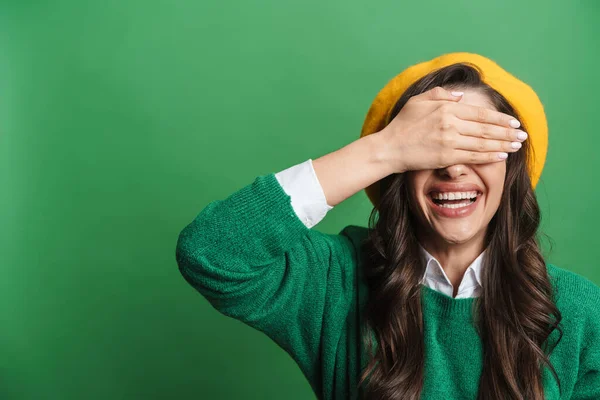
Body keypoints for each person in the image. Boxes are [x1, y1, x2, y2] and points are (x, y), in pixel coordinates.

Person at [175, 52, 600, 399]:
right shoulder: (335, 283)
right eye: (431, 147)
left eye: (476, 143)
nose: (453, 167)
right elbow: (211, 252)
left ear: (513, 170)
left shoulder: (579, 311)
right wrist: (384, 150)